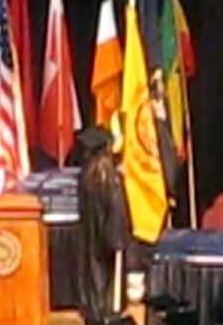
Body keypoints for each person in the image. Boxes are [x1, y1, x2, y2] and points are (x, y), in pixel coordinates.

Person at [77, 126, 132, 325]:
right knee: (107, 290)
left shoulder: (86, 174)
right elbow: (116, 210)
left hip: (89, 238)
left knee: (93, 286)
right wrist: (119, 241)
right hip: (106, 240)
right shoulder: (108, 175)